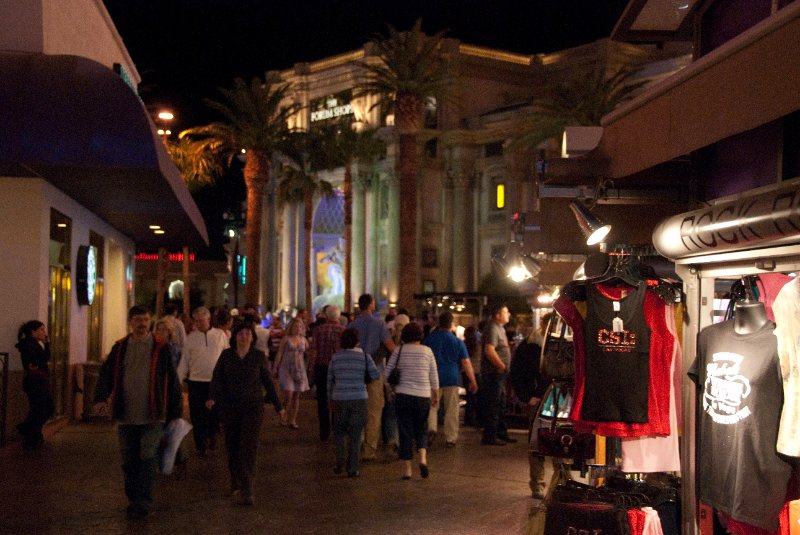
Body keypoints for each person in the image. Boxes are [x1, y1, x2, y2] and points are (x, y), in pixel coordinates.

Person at [92, 305, 182, 520]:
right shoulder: (120, 348)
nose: (142, 323)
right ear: (130, 322)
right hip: (126, 414)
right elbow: (106, 374)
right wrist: (99, 398)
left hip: (153, 413)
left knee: (148, 455)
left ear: (150, 321)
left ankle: (144, 500)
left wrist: (175, 412)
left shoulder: (161, 348)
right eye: (137, 319)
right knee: (129, 459)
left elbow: (172, 381)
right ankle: (133, 498)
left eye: (145, 319)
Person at [206, 322, 285, 505]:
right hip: (230, 408)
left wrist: (278, 406)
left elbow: (267, 382)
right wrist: (212, 397)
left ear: (252, 337)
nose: (244, 336)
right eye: (240, 333)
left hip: (253, 408)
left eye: (248, 333)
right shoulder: (226, 356)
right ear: (234, 337)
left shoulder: (258, 357)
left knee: (249, 447)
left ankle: (247, 489)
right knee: (232, 446)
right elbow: (217, 378)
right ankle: (236, 481)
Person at [384, 322, 439, 480]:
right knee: (421, 428)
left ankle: (408, 470)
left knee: (405, 431)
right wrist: (435, 395)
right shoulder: (427, 351)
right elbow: (434, 376)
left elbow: (387, 373)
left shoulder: (399, 350)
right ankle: (422, 459)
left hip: (403, 395)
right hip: (423, 396)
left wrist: (389, 390)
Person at [348, 293, 396, 461]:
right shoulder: (379, 324)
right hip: (375, 371)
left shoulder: (352, 325)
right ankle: (369, 450)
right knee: (374, 411)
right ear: (370, 305)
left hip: (356, 371)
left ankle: (358, 442)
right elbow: (390, 346)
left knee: (357, 409)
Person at [327, 328, 379, 477]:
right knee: (356, 435)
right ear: (357, 341)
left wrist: (329, 398)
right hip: (359, 398)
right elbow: (375, 375)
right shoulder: (364, 356)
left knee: (339, 432)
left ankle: (339, 461)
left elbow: (330, 380)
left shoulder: (335, 358)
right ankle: (352, 468)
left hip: (339, 398)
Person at [177, 306, 229, 456]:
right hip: (196, 382)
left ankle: (212, 437)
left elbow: (227, 356)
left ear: (208, 319)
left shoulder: (220, 335)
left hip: (215, 383)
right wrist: (178, 380)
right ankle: (200, 444)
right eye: (197, 321)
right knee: (197, 415)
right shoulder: (191, 338)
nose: (200, 323)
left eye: (202, 320)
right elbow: (185, 361)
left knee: (215, 413)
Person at [423, 312, 478, 447]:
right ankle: (450, 438)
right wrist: (473, 380)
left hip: (432, 377)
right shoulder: (457, 341)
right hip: (452, 377)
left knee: (432, 406)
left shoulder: (429, 339)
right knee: (451, 409)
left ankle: (431, 428)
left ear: (438, 323)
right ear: (451, 324)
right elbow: (466, 362)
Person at [480, 304, 518, 446]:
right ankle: (490, 435)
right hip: (494, 374)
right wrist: (501, 366)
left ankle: (501, 433)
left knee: (501, 404)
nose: (508, 314)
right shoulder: (492, 328)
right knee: (494, 405)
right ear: (497, 315)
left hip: (499, 374)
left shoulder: (500, 328)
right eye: (506, 312)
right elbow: (489, 350)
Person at [308, 305, 345, 442]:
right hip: (338, 369)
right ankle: (337, 428)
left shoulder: (318, 330)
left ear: (326, 316)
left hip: (322, 367)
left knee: (322, 400)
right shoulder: (343, 330)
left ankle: (324, 431)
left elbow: (313, 351)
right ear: (338, 316)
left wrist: (311, 369)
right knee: (338, 398)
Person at [15, 320, 54, 449]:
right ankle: (29, 432)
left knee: (43, 408)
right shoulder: (28, 345)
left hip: (39, 380)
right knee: (40, 409)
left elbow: (44, 358)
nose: (44, 332)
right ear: (33, 332)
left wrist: (47, 344)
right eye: (41, 329)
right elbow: (38, 361)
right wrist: (35, 363)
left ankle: (31, 432)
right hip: (35, 381)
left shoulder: (37, 344)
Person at [273, 317, 309, 429]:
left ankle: (293, 420)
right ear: (291, 327)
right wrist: (275, 367)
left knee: (296, 395)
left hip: (299, 369)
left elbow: (307, 353)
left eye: (300, 326)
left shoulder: (304, 340)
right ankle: (283, 416)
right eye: (295, 326)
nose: (298, 328)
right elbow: (279, 353)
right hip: (286, 368)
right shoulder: (286, 339)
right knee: (288, 393)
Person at [463, 325, 481, 427]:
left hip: (465, 373)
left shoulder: (463, 344)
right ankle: (473, 418)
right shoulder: (478, 345)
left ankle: (468, 418)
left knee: (469, 397)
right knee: (475, 397)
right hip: (477, 372)